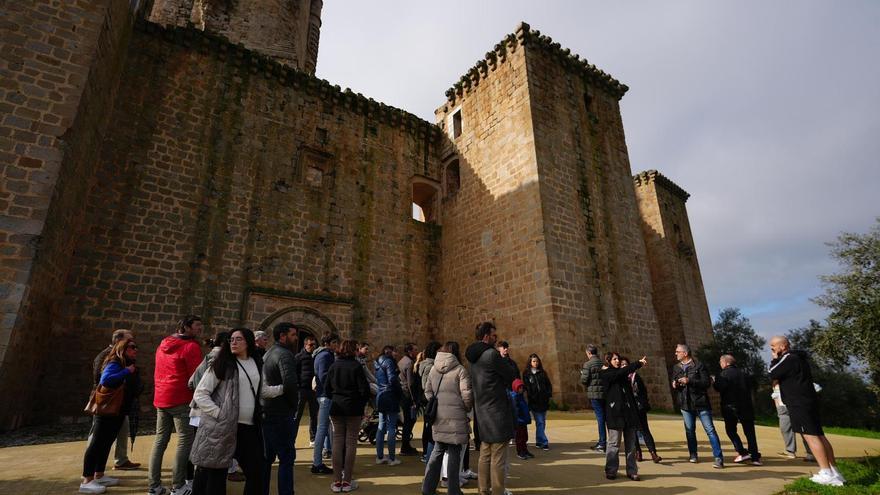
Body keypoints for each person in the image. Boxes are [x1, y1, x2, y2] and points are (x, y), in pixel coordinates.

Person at [189, 328, 282, 495]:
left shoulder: (256, 362)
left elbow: (261, 390)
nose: (233, 342)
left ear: (248, 342)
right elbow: (200, 394)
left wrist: (284, 389)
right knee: (215, 475)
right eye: (231, 339)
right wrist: (220, 414)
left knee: (257, 471)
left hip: (248, 427)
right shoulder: (222, 363)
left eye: (238, 339)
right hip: (223, 427)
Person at [769, 336, 844, 486]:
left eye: (773, 347)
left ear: (782, 347)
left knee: (811, 437)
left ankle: (826, 472)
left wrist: (774, 359)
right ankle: (834, 471)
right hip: (807, 400)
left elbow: (772, 373)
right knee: (819, 435)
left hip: (798, 402)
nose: (772, 350)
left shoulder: (788, 358)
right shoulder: (799, 358)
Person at [149, 315, 204, 495]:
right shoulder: (191, 347)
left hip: (161, 397)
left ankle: (154, 486)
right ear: (187, 327)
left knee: (160, 441)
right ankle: (178, 486)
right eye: (197, 326)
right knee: (185, 441)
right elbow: (196, 378)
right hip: (181, 399)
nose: (200, 329)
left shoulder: (163, 344)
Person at [80, 338, 142, 494]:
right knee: (97, 443)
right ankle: (87, 480)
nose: (135, 350)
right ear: (123, 349)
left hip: (119, 411)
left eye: (136, 347)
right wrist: (127, 371)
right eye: (132, 347)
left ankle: (99, 474)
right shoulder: (115, 362)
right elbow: (106, 380)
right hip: (107, 410)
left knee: (106, 442)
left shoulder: (125, 364)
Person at [465, 321, 516, 495]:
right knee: (498, 457)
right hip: (497, 412)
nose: (497, 338)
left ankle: (483, 490)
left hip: (482, 411)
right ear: (486, 336)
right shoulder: (491, 355)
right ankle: (498, 492)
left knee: (485, 454)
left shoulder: (472, 358)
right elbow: (509, 373)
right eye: (494, 335)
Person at [422, 341, 473, 495]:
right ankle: (453, 490)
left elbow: (428, 391)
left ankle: (427, 488)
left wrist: (437, 403)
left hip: (439, 416)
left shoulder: (433, 370)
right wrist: (465, 408)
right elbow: (467, 395)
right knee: (455, 453)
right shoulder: (460, 370)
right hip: (456, 417)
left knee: (438, 450)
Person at [90, 329, 139, 472]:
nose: (133, 345)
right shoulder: (107, 356)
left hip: (119, 403)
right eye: (129, 342)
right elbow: (102, 380)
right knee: (98, 438)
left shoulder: (122, 356)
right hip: (107, 402)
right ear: (119, 341)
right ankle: (91, 471)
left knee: (119, 432)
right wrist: (125, 373)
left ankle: (119, 461)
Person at [325, 339, 371, 493]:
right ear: (353, 350)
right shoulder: (356, 366)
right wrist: (362, 404)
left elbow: (326, 389)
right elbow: (364, 390)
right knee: (351, 443)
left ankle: (337, 481)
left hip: (337, 407)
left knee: (338, 442)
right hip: (353, 408)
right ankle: (347, 481)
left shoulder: (334, 365)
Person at [261, 323, 300, 495]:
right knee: (286, 458)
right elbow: (290, 384)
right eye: (293, 334)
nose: (296, 337)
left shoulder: (269, 352)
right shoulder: (285, 355)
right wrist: (293, 405)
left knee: (267, 458)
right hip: (280, 413)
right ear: (282, 336)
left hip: (268, 410)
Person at [671, 343, 724, 468]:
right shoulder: (676, 367)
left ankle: (718, 458)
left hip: (701, 403)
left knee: (710, 430)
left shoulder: (699, 365)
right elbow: (675, 381)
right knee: (690, 431)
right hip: (685, 403)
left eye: (678, 351)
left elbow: (706, 383)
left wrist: (690, 381)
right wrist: (675, 384)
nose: (676, 353)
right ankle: (693, 454)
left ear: (685, 353)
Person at [600, 352, 647, 481]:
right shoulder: (606, 374)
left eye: (618, 359)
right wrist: (637, 364)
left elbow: (630, 395)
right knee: (614, 444)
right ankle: (611, 470)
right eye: (614, 359)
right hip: (615, 414)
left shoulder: (623, 376)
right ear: (608, 361)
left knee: (631, 445)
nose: (617, 361)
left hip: (629, 414)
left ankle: (632, 471)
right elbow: (618, 374)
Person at [713, 354, 762, 465]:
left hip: (730, 407)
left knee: (731, 430)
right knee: (750, 433)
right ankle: (755, 458)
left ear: (725, 363)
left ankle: (741, 451)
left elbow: (719, 388)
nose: (720, 365)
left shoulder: (723, 374)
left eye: (721, 363)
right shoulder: (744, 373)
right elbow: (753, 385)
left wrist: (715, 381)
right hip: (746, 405)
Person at [618, 357, 661, 464]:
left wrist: (643, 404)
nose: (624, 366)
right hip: (628, 408)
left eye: (625, 364)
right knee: (633, 431)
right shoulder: (620, 378)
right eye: (622, 365)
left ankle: (653, 453)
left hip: (638, 407)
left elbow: (643, 392)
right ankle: (638, 452)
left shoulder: (635, 377)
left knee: (644, 430)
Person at [311, 333, 340, 474]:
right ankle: (317, 463)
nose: (336, 345)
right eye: (334, 342)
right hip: (325, 396)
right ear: (327, 343)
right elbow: (323, 376)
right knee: (323, 428)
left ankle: (321, 460)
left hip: (323, 395)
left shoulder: (322, 355)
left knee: (325, 428)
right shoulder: (325, 355)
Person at [375, 345, 403, 466]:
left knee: (381, 426)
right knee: (391, 427)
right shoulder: (389, 362)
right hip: (390, 395)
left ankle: (380, 456)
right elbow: (392, 379)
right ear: (390, 352)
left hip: (381, 395)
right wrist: (400, 392)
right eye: (395, 351)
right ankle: (392, 458)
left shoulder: (377, 362)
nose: (396, 354)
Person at [772, 383, 815, 461]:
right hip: (785, 406)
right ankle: (791, 451)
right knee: (786, 429)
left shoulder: (793, 377)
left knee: (803, 430)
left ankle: (810, 453)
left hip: (795, 405)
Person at [521, 353, 552, 450]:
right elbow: (527, 387)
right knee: (540, 422)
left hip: (543, 401)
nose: (536, 363)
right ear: (530, 362)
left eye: (537, 361)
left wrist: (548, 394)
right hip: (534, 402)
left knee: (542, 422)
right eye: (534, 361)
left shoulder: (542, 373)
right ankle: (544, 442)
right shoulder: (527, 374)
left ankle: (539, 441)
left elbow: (548, 385)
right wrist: (532, 396)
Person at [418, 341, 442, 462]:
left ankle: (426, 452)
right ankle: (427, 453)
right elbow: (426, 385)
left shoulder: (424, 364)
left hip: (427, 400)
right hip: (429, 400)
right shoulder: (430, 366)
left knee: (427, 427)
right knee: (429, 428)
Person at [579, 345, 606, 452]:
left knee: (600, 419)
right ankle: (607, 442)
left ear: (589, 353)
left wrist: (582, 374)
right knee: (605, 419)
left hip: (595, 395)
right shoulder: (602, 363)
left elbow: (584, 380)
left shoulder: (588, 364)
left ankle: (602, 443)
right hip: (605, 394)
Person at [293, 335, 319, 447]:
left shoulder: (317, 356)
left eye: (314, 344)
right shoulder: (299, 357)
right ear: (305, 345)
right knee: (297, 415)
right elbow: (294, 372)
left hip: (313, 390)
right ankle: (292, 439)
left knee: (314, 415)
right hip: (302, 390)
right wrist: (298, 385)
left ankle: (312, 439)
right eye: (310, 344)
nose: (313, 347)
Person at [398, 342, 421, 456]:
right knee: (410, 421)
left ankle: (405, 445)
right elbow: (410, 383)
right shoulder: (409, 363)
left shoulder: (402, 361)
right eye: (415, 350)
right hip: (408, 396)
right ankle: (405, 446)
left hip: (403, 395)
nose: (417, 352)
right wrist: (414, 400)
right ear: (409, 351)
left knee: (408, 420)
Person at [510, 379, 532, 460]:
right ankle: (520, 452)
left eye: (522, 388)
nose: (521, 389)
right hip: (519, 421)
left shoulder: (521, 396)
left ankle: (525, 450)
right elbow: (516, 410)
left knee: (524, 437)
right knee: (519, 438)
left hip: (523, 420)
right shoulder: (514, 396)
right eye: (519, 388)